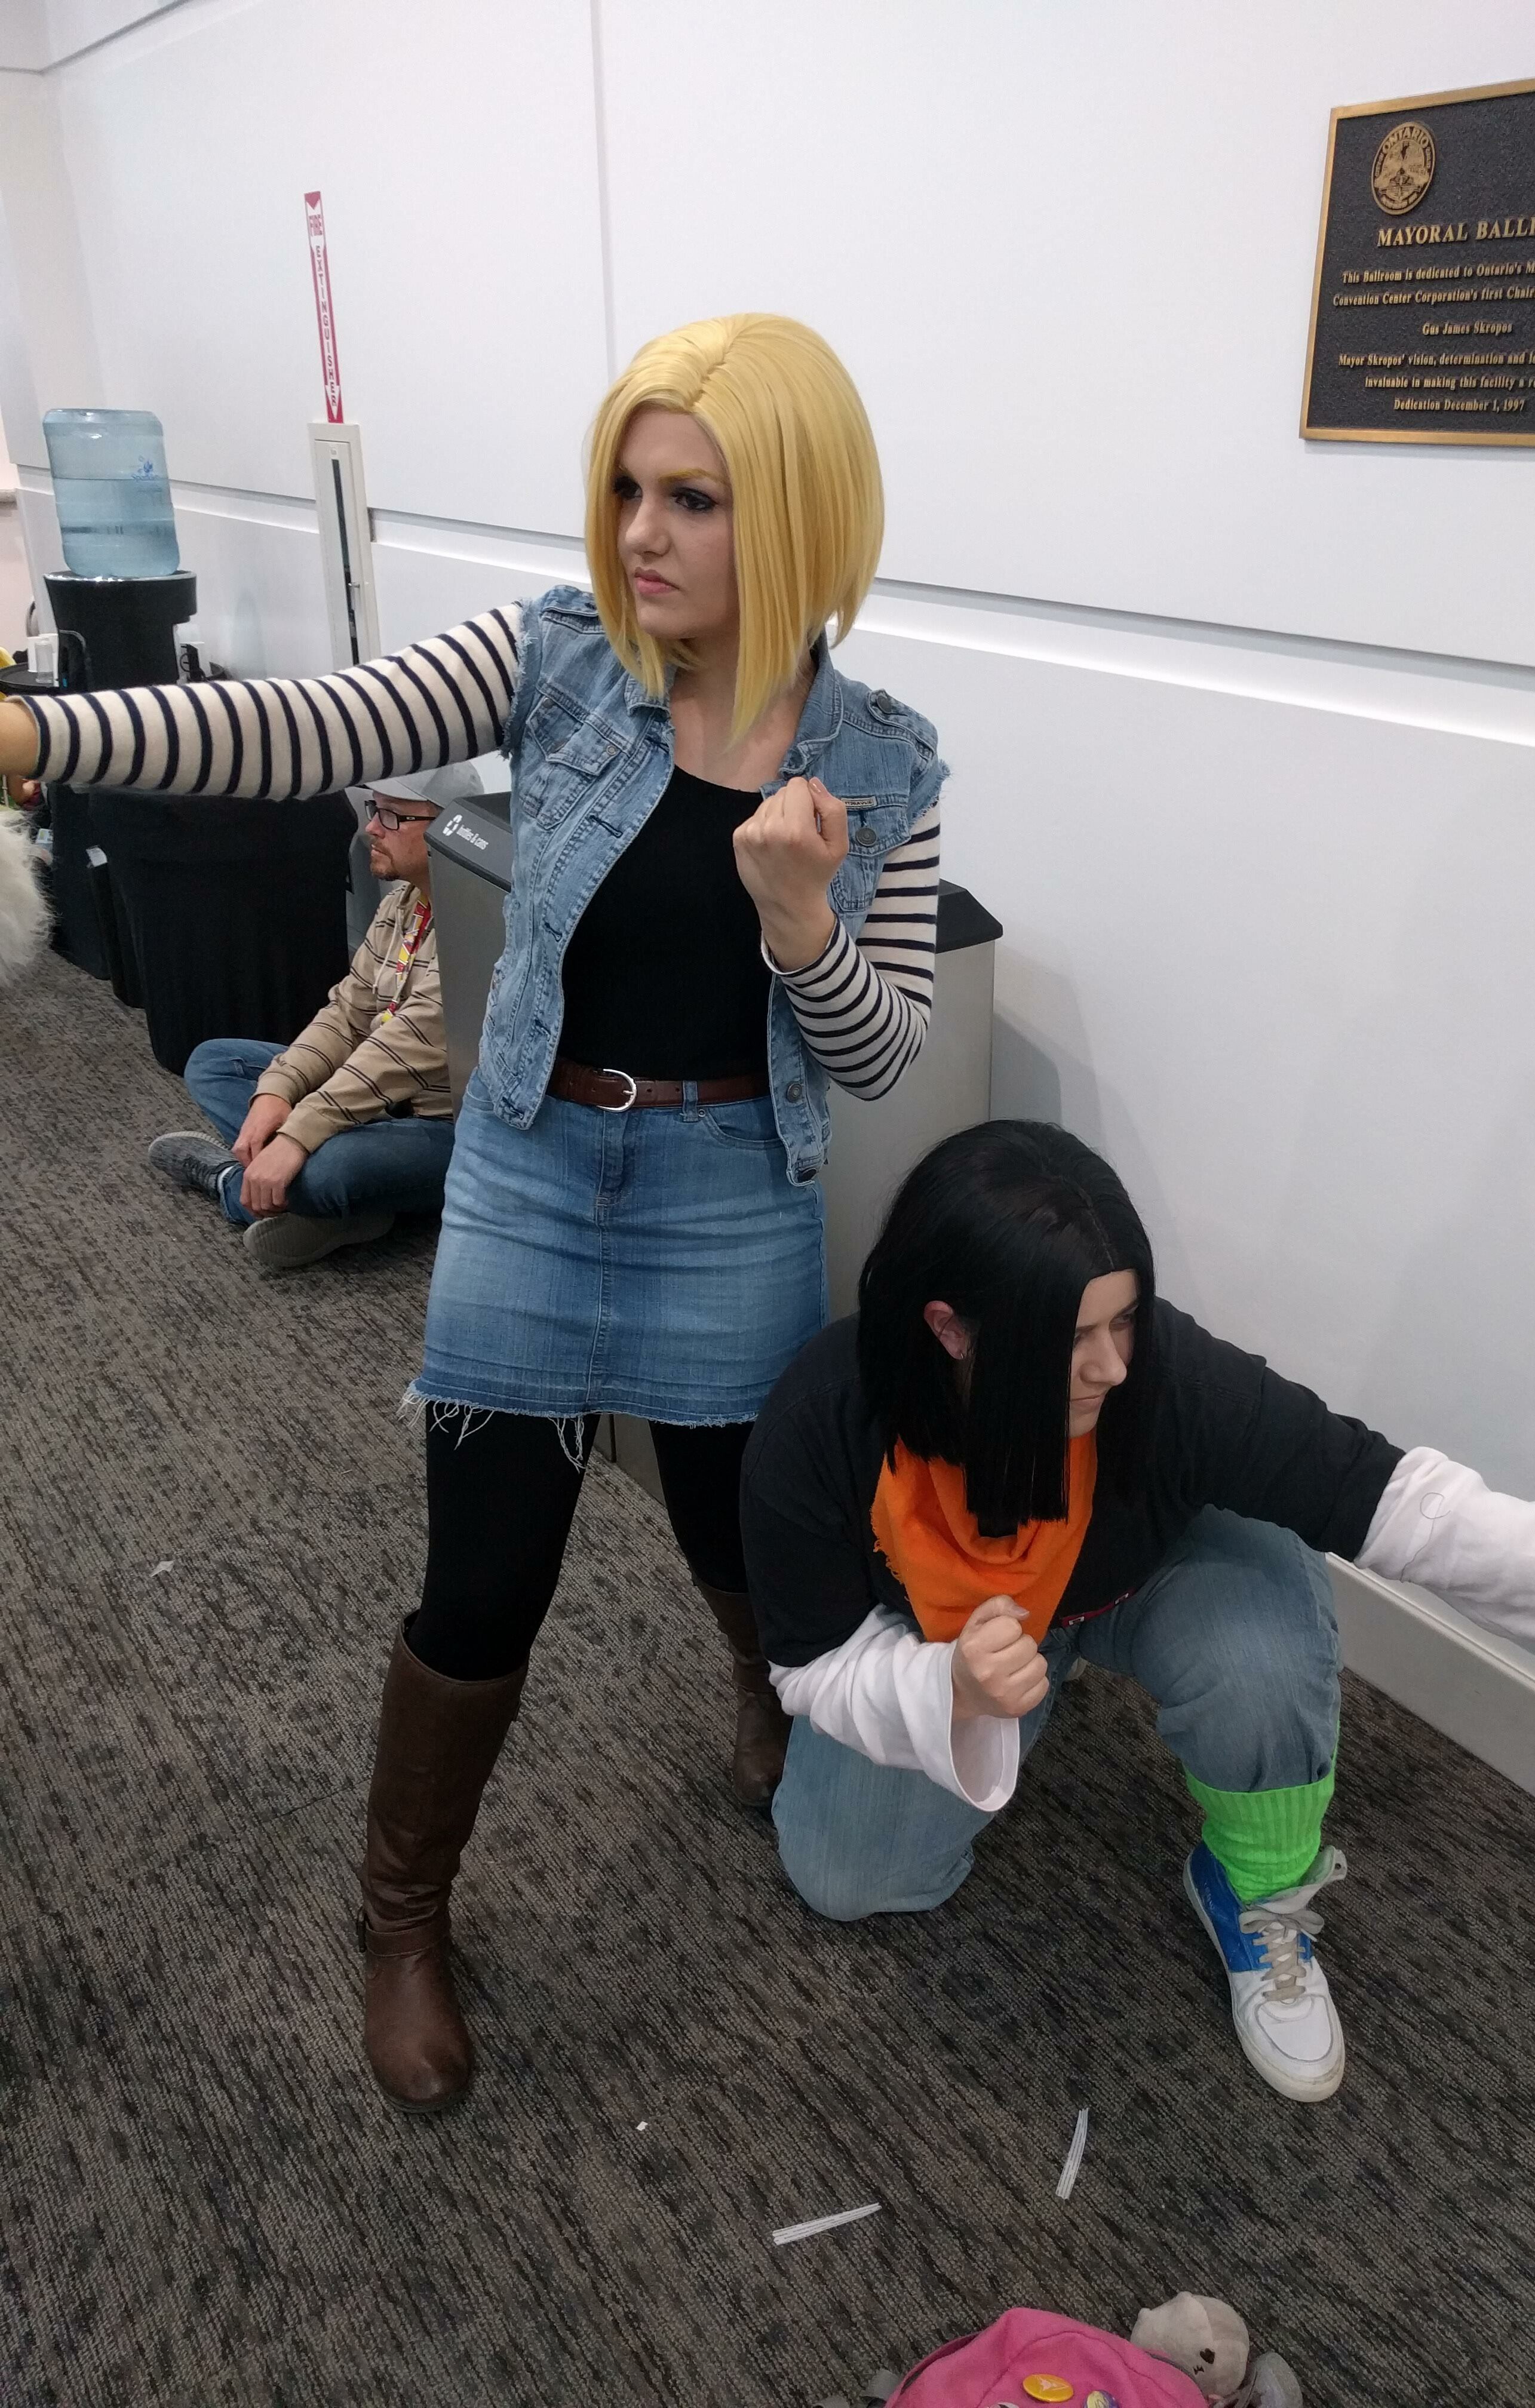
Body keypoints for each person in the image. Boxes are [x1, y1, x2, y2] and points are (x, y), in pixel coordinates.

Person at [0, 314, 947, 2109]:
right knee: (488, 1571)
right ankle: (403, 1915)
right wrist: (39, 732)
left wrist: (805, 925)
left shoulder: (883, 762)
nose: (641, 531)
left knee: (739, 1527)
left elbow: (885, 1054)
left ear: (802, 510)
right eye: (629, 487)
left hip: (731, 1190)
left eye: (694, 498)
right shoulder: (560, 661)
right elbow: (304, 726)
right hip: (532, 1164)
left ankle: (762, 1694)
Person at [741, 1122, 1535, 2105]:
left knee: (1261, 1658)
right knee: (843, 1877)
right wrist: (950, 1690)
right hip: (952, 1647)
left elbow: (1425, 1515)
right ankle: (1026, 1687)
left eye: (1125, 1319)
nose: (1113, 1365)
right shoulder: (825, 1422)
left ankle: (1249, 1887)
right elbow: (809, 1665)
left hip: (1146, 1581)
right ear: (950, 1329)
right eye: (1074, 1337)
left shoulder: (1162, 1380)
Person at [146, 761, 474, 1274]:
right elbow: (346, 1017)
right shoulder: (404, 903)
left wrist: (300, 1133)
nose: (371, 827)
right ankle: (345, 1206)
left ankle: (233, 1183)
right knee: (215, 1062)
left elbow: (403, 1049)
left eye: (393, 816)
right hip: (374, 1104)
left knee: (329, 1169)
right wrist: (278, 1094)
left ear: (450, 829)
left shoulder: (476, 924)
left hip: (446, 1128)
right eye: (375, 809)